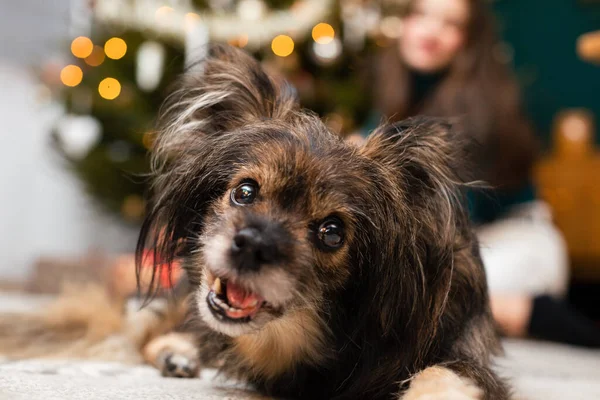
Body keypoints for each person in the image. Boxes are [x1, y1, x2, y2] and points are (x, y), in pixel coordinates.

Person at [349, 0, 600, 346]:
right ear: (403, 23)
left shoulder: (478, 110)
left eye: (451, 24)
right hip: (472, 243)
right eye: (420, 15)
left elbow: (448, 229)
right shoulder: (395, 96)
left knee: (425, 298)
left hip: (515, 242)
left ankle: (535, 314)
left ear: (469, 41)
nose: (430, 31)